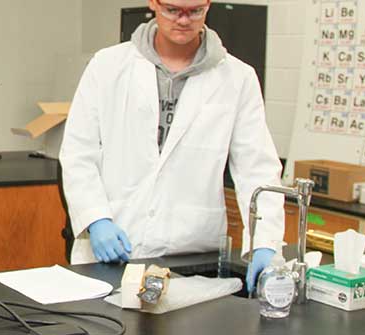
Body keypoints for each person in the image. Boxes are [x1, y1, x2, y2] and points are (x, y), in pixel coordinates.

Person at [59, 0, 284, 293]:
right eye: (173, 10)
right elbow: (78, 151)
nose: (183, 20)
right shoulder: (108, 65)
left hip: (190, 254)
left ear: (208, 5)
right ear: (154, 3)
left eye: (195, 11)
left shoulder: (237, 77)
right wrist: (96, 217)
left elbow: (257, 169)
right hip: (114, 246)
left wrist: (265, 243)